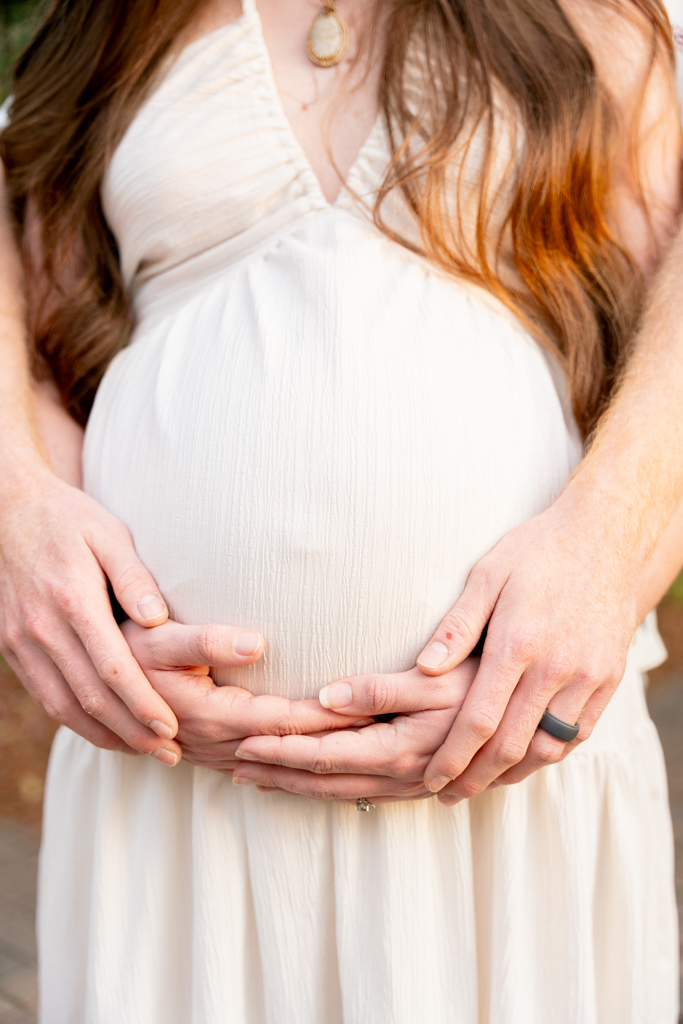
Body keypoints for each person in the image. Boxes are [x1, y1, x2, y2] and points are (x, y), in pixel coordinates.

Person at [1, 0, 683, 1020]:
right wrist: (17, 506)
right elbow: (39, 298)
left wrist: (613, 543)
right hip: (171, 810)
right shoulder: (122, 21)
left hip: (507, 818)